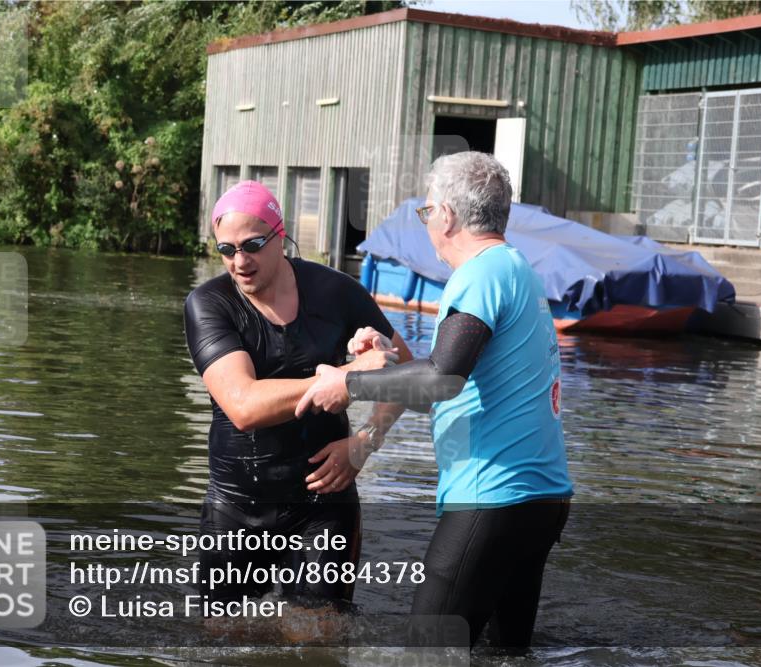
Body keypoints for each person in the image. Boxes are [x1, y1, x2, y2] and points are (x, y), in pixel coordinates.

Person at [295, 152, 573, 650]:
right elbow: (460, 366)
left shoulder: (480, 274)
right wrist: (387, 359)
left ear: (446, 215)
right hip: (541, 498)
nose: (426, 224)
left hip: (493, 496)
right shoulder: (516, 269)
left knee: (427, 652)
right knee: (502, 655)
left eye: (426, 213)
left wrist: (349, 384)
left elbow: (443, 380)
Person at [183, 181, 412, 617]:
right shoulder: (209, 304)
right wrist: (349, 375)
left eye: (252, 245)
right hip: (236, 507)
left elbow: (407, 373)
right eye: (226, 250)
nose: (239, 261)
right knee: (222, 646)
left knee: (315, 648)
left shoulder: (336, 292)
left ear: (280, 235)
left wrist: (363, 444)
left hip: (323, 505)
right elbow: (244, 406)